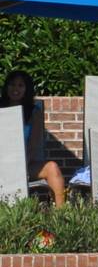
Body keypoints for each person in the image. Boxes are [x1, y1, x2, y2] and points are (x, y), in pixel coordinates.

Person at [0, 69, 66, 205]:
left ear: (26, 89)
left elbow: (33, 145)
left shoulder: (34, 112)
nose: (15, 89)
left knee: (52, 168)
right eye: (12, 84)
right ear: (6, 87)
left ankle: (62, 216)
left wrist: (19, 167)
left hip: (24, 163)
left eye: (20, 85)